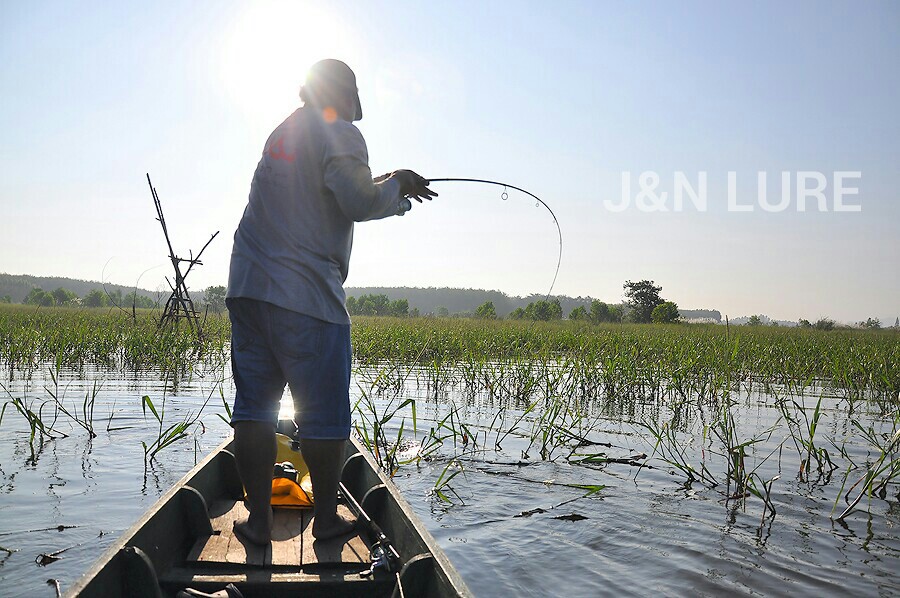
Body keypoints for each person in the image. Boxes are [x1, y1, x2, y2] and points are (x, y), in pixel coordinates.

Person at [225, 59, 436, 544]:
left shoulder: (284, 132)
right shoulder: (338, 130)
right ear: (344, 97)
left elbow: (331, 187)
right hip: (306, 297)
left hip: (249, 288)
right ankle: (324, 520)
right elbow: (358, 201)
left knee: (254, 408)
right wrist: (399, 187)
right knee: (323, 415)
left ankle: (258, 522)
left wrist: (391, 179)